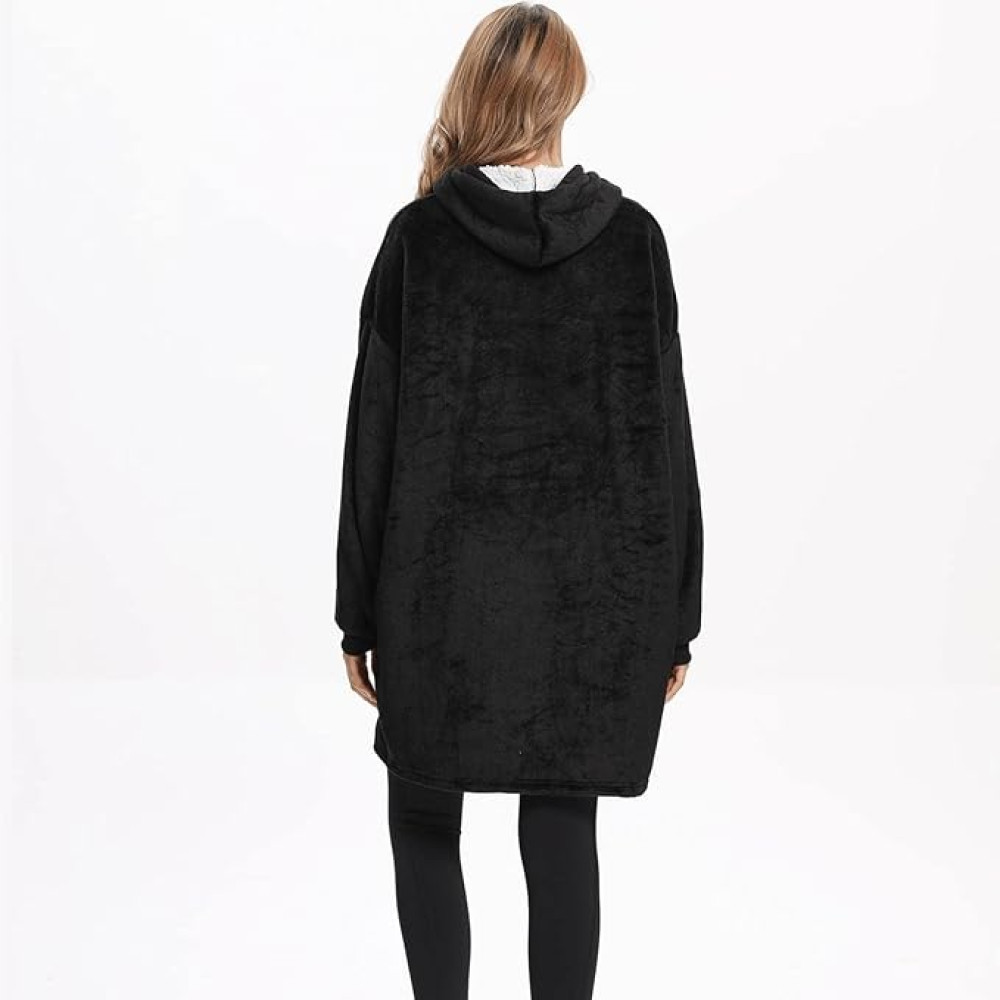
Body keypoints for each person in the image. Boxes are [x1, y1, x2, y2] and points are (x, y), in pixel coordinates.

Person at [334, 4, 704, 997]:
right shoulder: (632, 240)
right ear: (564, 96)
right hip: (596, 605)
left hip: (436, 600)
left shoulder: (420, 239)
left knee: (423, 814)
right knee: (562, 821)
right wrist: (675, 617)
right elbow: (666, 443)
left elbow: (373, 441)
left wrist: (358, 613)